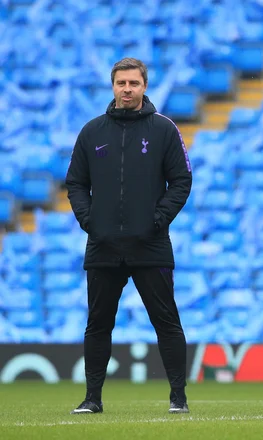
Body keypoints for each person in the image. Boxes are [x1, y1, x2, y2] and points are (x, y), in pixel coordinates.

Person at [65, 58, 193, 414]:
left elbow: (182, 180)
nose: (127, 89)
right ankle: (92, 398)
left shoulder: (165, 130)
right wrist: (90, 221)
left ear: (144, 86)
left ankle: (178, 398)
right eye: (121, 83)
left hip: (150, 243)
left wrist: (157, 220)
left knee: (167, 321)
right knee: (98, 323)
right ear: (113, 86)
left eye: (133, 83)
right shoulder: (92, 132)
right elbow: (75, 182)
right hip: (103, 243)